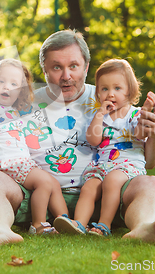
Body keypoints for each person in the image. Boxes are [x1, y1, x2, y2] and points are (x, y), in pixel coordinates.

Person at [0, 29, 155, 246]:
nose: (66, 76)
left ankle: (144, 227)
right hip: (37, 200)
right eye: (56, 68)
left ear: (86, 67)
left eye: (73, 66)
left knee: (149, 182)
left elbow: (150, 162)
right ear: (44, 70)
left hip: (105, 197)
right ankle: (1, 229)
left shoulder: (110, 97)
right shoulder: (22, 102)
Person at [0, 58, 68, 235]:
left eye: (14, 84)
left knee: (52, 182)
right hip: (9, 163)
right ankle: (38, 225)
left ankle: (66, 220)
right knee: (45, 182)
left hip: (19, 162)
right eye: (1, 81)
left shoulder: (15, 111)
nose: (7, 87)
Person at [53, 59, 149, 236]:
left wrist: (146, 117)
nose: (110, 94)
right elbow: (93, 139)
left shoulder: (135, 114)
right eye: (104, 89)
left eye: (117, 88)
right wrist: (100, 115)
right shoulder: (100, 116)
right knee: (89, 187)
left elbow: (140, 134)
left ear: (130, 90)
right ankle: (79, 223)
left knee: (112, 181)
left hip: (127, 165)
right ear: (98, 93)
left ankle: (104, 225)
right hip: (102, 166)